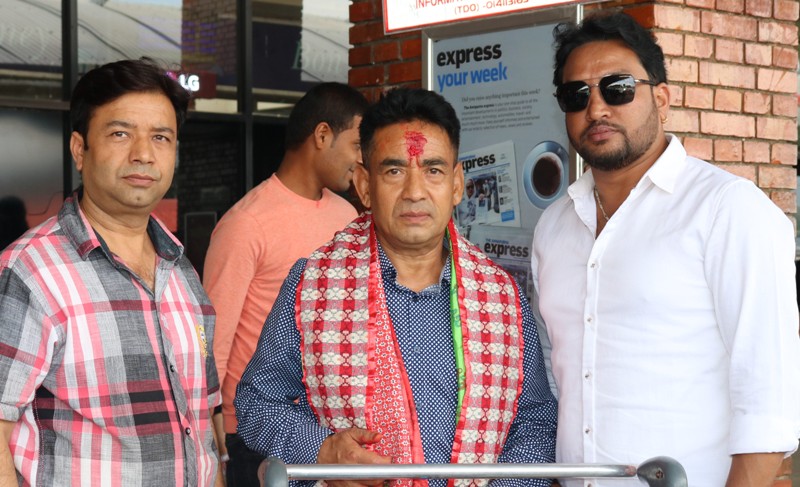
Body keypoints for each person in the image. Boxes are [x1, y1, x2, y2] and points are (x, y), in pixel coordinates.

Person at [235, 87, 557, 487]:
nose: (415, 192)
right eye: (394, 171)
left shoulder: (501, 297)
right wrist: (323, 450)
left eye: (433, 170)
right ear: (364, 185)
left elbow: (536, 421)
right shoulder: (312, 287)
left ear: (457, 184)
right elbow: (257, 403)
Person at [531, 12, 800, 486]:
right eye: (577, 95)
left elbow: (768, 402)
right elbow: (556, 382)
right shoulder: (553, 227)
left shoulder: (727, 210)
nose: (596, 109)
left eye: (617, 89)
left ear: (661, 98)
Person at [0, 58, 224, 486]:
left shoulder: (181, 270)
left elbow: (203, 423)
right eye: (121, 134)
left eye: (160, 137)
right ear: (79, 150)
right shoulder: (30, 272)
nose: (143, 154)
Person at [203, 82, 367, 486]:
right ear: (322, 135)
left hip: (330, 431)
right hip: (254, 434)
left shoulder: (348, 217)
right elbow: (212, 346)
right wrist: (215, 446)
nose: (361, 159)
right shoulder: (246, 224)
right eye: (356, 144)